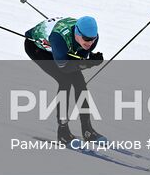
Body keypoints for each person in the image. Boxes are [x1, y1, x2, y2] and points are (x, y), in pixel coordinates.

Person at [23, 15, 105, 144]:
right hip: (37, 48)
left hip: (60, 49)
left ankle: (87, 130)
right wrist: (89, 63)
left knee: (80, 84)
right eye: (86, 39)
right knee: (65, 81)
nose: (90, 43)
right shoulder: (58, 38)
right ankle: (63, 131)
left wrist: (87, 60)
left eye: (92, 39)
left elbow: (78, 59)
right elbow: (65, 67)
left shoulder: (92, 39)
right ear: (77, 33)